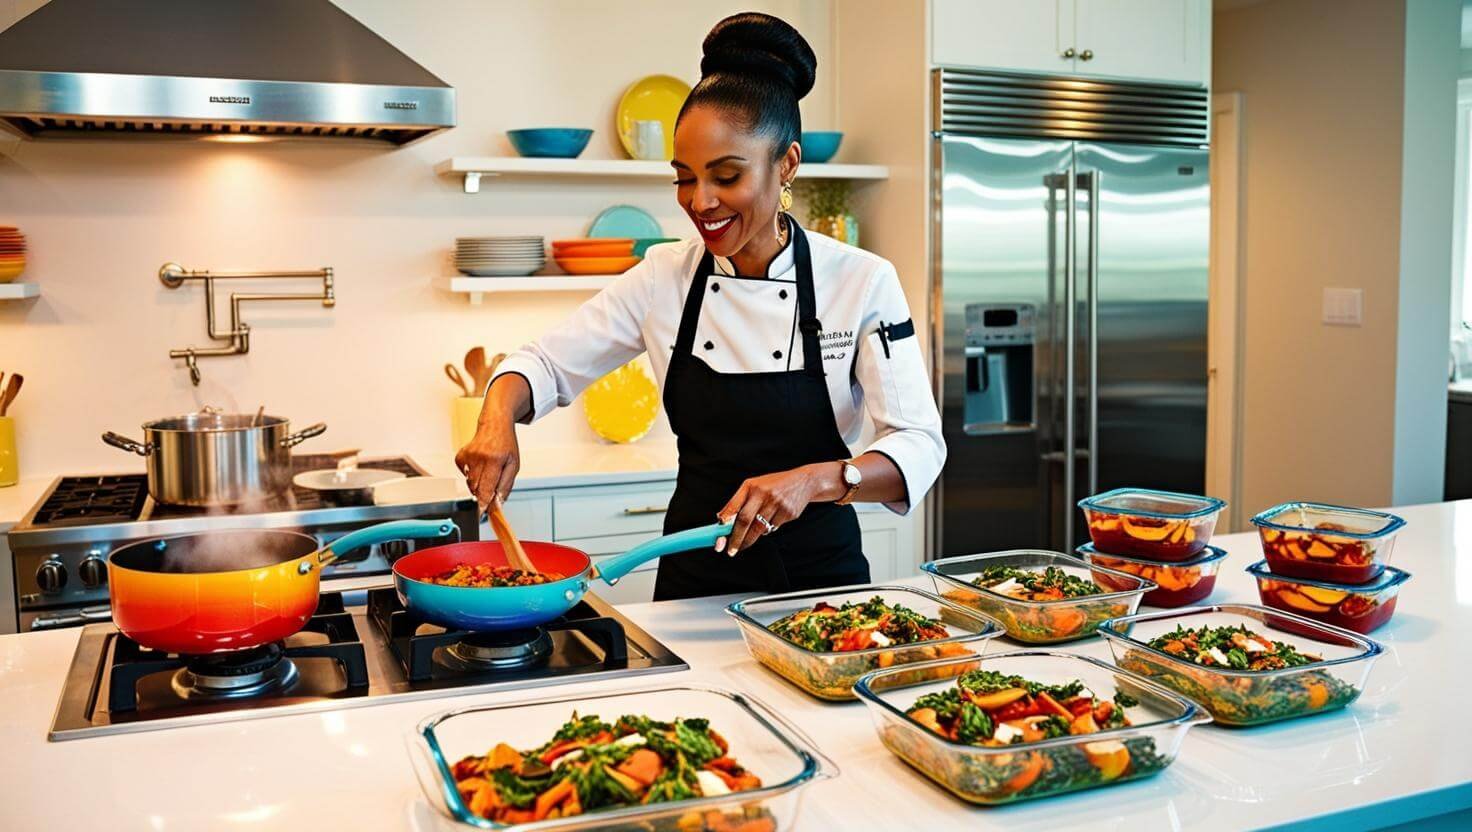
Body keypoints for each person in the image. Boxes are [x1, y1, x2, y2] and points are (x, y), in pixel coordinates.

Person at [457, 12, 944, 600]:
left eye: (726, 175)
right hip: (695, 581)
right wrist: (496, 417)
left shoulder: (861, 280)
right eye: (683, 178)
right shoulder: (666, 275)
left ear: (787, 164)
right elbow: (547, 362)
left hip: (822, 588)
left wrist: (815, 480)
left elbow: (918, 443)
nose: (700, 201)